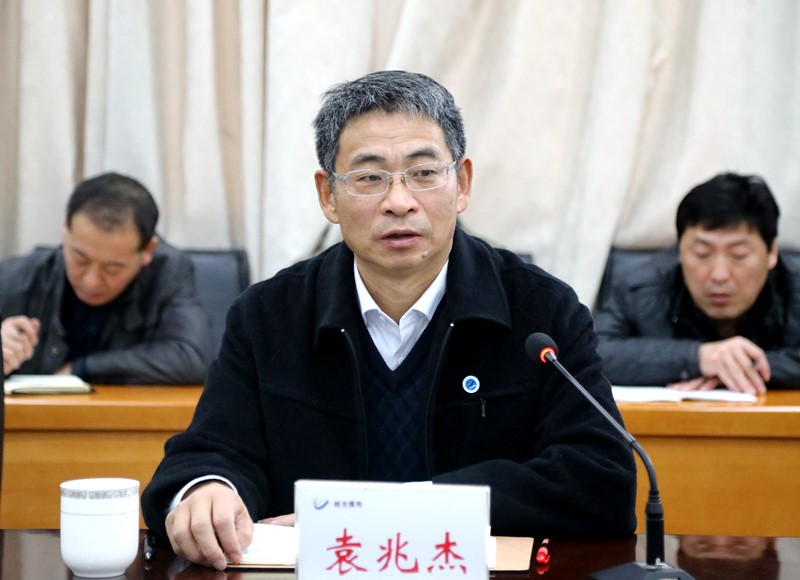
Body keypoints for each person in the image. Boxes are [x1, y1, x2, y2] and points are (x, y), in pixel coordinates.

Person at [142, 70, 637, 570]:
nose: (399, 202)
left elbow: (601, 480)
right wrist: (207, 489)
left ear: (462, 184)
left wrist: (394, 513)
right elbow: (209, 453)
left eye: (424, 173)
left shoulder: (541, 311)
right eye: (369, 177)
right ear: (328, 195)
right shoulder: (268, 315)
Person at [595, 172, 800, 394]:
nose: (719, 275)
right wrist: (697, 358)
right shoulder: (641, 288)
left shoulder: (794, 286)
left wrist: (736, 366)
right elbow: (594, 351)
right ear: (679, 251)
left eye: (739, 255)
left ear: (771, 253)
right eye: (702, 253)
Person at [0, 172, 213, 384]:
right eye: (80, 259)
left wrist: (81, 368)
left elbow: (192, 359)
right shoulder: (15, 278)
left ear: (148, 250)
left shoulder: (168, 271)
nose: (91, 282)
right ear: (65, 228)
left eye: (113, 268)